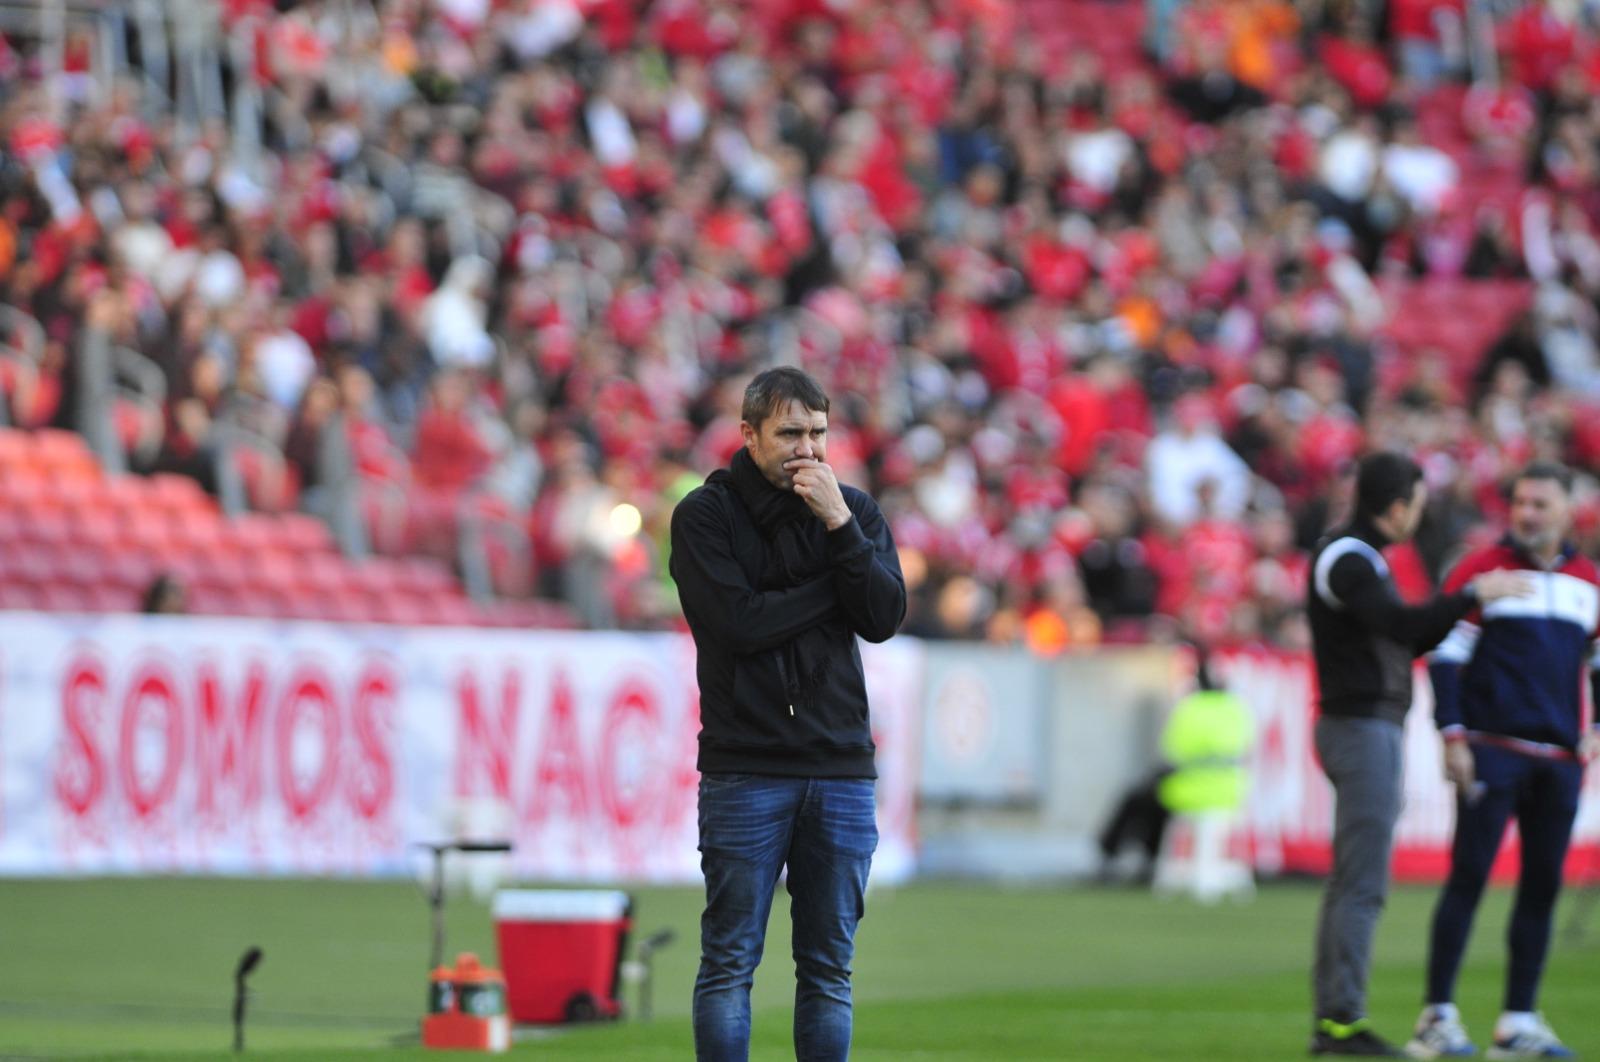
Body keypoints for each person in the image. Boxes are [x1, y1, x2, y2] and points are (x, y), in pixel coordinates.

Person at [669, 367, 907, 1062]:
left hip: (839, 766)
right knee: (729, 963)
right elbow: (739, 625)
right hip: (747, 766)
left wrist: (838, 528)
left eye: (819, 432)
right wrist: (832, 589)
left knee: (829, 972)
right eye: (790, 433)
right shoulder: (705, 516)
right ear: (748, 434)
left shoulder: (853, 513)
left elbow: (886, 615)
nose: (808, 448)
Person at [1306, 451, 1531, 1057]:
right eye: (1417, 506)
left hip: (1364, 725)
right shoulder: (1351, 559)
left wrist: (1465, 604)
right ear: (1398, 505)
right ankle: (1341, 1023)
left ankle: (1334, 1020)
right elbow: (1401, 625)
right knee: (1363, 883)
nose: (1419, 518)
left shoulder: (1356, 558)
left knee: (1351, 882)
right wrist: (1471, 593)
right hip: (1359, 725)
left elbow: (1412, 634)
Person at [1407, 462, 1600, 1060]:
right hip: (1493, 750)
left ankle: (1517, 1021)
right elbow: (1445, 654)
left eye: (1541, 504)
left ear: (1569, 509)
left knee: (1541, 887)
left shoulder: (1587, 582)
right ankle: (1436, 1017)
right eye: (1521, 503)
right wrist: (1452, 733)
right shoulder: (1482, 570)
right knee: (1468, 877)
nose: (1528, 514)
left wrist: (1594, 729)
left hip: (1560, 759)